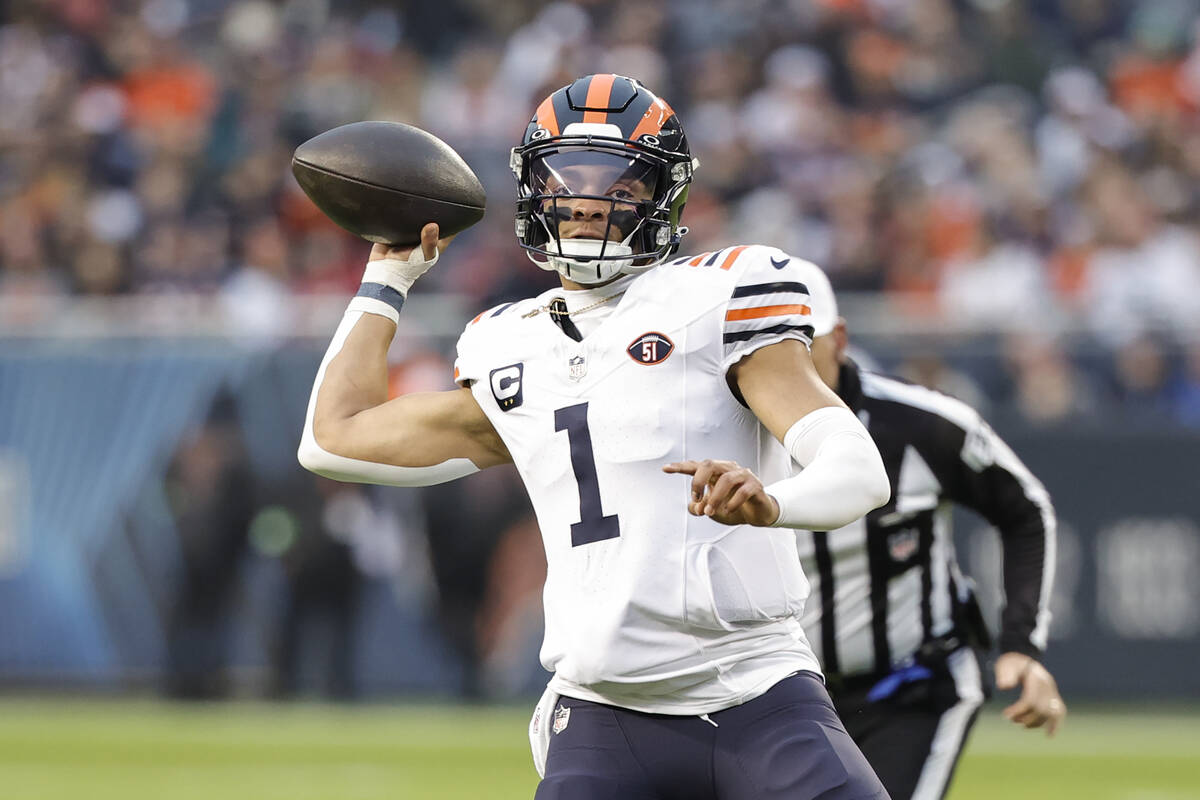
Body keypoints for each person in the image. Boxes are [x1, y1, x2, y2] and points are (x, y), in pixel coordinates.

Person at [298, 74, 893, 800]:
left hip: (759, 693)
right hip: (604, 717)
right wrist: (388, 274)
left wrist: (772, 500)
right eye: (565, 177)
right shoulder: (505, 345)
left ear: (662, 198)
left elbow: (858, 468)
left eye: (618, 183)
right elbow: (333, 438)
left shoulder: (719, 298)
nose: (585, 201)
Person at [790, 260, 1066, 800]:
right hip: (783, 697)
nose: (785, 362)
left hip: (912, 686)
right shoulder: (718, 435)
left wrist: (1021, 644)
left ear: (838, 339)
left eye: (803, 342)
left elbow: (1025, 509)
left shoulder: (921, 425)